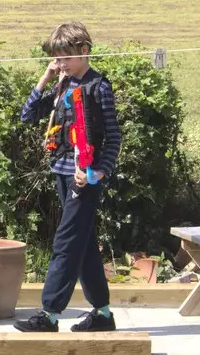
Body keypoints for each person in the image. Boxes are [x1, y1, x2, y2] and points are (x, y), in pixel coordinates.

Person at [15, 21, 123, 333]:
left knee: (65, 242)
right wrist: (46, 77)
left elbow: (113, 137)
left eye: (64, 58)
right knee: (84, 242)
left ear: (84, 52)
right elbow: (28, 115)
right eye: (56, 59)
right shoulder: (63, 84)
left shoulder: (98, 87)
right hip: (61, 173)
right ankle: (102, 314)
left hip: (84, 179)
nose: (60, 63)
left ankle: (48, 315)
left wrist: (98, 172)